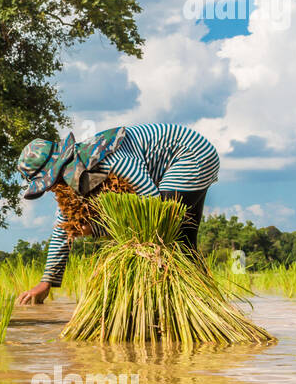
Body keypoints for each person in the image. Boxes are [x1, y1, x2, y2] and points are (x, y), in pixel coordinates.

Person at [15, 123, 220, 304]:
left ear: (61, 167)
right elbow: (63, 230)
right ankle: (206, 299)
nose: (53, 188)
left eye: (51, 182)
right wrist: (46, 283)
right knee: (184, 243)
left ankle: (185, 301)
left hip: (191, 155)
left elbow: (152, 205)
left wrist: (95, 229)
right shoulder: (74, 177)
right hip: (182, 161)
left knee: (167, 232)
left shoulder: (108, 157)